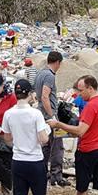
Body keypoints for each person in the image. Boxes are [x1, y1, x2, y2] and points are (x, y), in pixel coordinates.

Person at [1, 79, 56, 195]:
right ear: (30, 94)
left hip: (18, 161)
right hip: (35, 161)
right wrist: (47, 130)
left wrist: (19, 139)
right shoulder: (35, 114)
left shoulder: (9, 114)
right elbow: (43, 139)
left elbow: (7, 138)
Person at [34, 51, 68, 186]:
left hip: (41, 114)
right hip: (49, 115)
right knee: (57, 145)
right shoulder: (49, 76)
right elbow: (44, 96)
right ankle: (56, 175)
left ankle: (42, 171)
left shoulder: (39, 74)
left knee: (46, 145)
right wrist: (52, 115)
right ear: (58, 62)